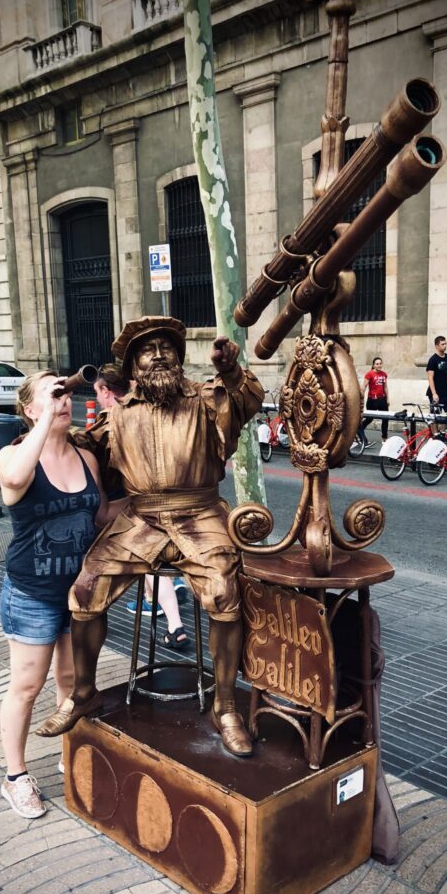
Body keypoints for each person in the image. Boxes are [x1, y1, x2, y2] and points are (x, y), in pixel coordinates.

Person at [36, 316, 264, 757]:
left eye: (165, 347)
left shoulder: (206, 398)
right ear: (133, 365)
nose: (157, 354)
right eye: (146, 349)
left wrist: (232, 370)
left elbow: (248, 400)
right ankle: (83, 692)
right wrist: (48, 415)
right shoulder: (118, 415)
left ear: (179, 357)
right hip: (140, 519)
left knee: (223, 592)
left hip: (200, 513)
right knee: (85, 591)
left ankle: (227, 705)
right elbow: (77, 448)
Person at [0, 370, 108, 819]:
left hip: (77, 594)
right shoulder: (11, 455)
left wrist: (155, 504)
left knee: (71, 682)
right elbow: (16, 481)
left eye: (67, 394)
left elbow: (99, 516)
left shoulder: (86, 459)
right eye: (52, 394)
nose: (65, 401)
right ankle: (15, 777)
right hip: (31, 593)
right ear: (29, 409)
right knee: (26, 685)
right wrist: (42, 424)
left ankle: (70, 755)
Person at [94, 362, 191, 650]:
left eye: (98, 392)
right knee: (151, 563)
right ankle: (160, 603)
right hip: (165, 507)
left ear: (105, 390)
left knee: (143, 559)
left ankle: (169, 617)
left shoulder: (114, 420)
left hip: (133, 508)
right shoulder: (149, 414)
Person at [360, 356, 390, 444]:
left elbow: (385, 387)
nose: (379, 365)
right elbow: (363, 387)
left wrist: (387, 399)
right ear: (373, 365)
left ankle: (384, 438)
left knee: (386, 419)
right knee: (369, 419)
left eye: (380, 364)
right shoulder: (369, 374)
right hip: (372, 400)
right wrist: (361, 400)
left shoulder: (384, 374)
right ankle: (359, 431)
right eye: (377, 364)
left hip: (382, 400)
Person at [426, 336, 447, 414]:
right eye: (442, 344)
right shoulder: (433, 360)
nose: (445, 346)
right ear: (437, 346)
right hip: (436, 392)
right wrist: (434, 393)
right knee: (435, 416)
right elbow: (430, 377)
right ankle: (434, 427)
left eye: (445, 343)